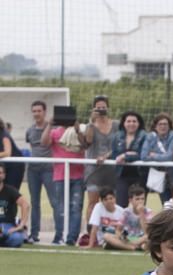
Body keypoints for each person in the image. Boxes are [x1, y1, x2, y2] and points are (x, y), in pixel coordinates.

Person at [42, 115, 85, 245]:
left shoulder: (80, 130)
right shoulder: (55, 132)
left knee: (76, 207)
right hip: (60, 176)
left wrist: (77, 130)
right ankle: (59, 235)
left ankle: (71, 238)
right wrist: (49, 124)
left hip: (78, 175)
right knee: (60, 208)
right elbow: (44, 142)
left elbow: (85, 145)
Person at [24, 101, 58, 244]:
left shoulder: (53, 128)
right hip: (33, 170)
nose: (36, 113)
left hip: (49, 169)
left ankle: (59, 234)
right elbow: (32, 147)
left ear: (45, 112)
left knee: (54, 202)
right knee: (34, 202)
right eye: (34, 111)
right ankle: (34, 234)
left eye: (39, 111)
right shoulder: (30, 131)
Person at [81, 95, 119, 224]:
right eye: (98, 108)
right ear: (94, 109)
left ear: (108, 108)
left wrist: (106, 156)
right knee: (92, 203)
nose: (101, 110)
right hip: (94, 170)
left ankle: (111, 231)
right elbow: (88, 141)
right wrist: (92, 122)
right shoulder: (90, 126)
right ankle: (89, 232)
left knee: (112, 203)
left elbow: (119, 145)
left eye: (103, 107)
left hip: (111, 170)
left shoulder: (116, 125)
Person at [140, 113, 173, 206]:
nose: (163, 126)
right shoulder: (150, 137)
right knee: (165, 203)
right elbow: (144, 156)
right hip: (159, 174)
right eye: (160, 124)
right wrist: (162, 156)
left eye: (165, 124)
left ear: (169, 126)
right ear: (155, 126)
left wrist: (154, 155)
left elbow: (170, 156)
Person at [111, 111, 147, 207]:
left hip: (139, 175)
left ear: (139, 123)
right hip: (122, 175)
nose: (131, 124)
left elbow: (143, 155)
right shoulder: (117, 136)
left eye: (134, 121)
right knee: (120, 205)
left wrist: (125, 156)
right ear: (124, 123)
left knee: (139, 205)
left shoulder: (144, 136)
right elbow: (114, 155)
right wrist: (130, 154)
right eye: (129, 121)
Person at [86, 186, 137, 251]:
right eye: (106, 199)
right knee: (106, 236)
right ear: (102, 201)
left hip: (118, 237)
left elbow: (126, 230)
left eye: (111, 198)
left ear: (115, 199)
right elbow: (94, 227)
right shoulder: (98, 207)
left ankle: (121, 246)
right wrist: (90, 245)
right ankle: (130, 247)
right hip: (104, 240)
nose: (109, 201)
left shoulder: (121, 211)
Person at [0, 164, 29, 248]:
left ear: (4, 175)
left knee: (17, 238)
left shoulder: (10, 190)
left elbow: (25, 205)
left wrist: (21, 225)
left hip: (7, 226)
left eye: (0, 173)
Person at [0, 115, 26, 192]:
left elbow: (7, 153)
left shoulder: (4, 134)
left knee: (11, 192)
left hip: (14, 167)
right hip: (4, 166)